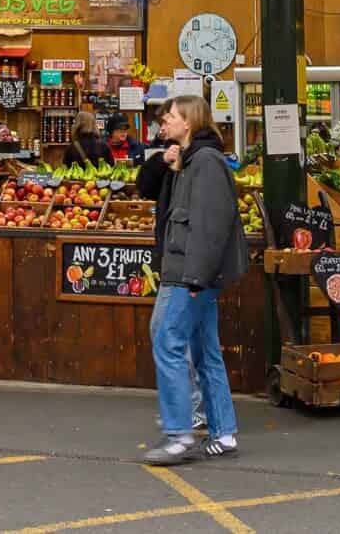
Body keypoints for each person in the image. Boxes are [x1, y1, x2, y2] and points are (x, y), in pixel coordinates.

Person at [141, 95, 243, 466]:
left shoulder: (206, 163)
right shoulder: (189, 161)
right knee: (204, 352)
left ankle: (178, 434)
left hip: (187, 274)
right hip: (190, 272)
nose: (163, 123)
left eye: (169, 117)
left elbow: (211, 225)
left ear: (189, 122)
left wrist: (197, 276)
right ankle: (224, 433)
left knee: (167, 340)